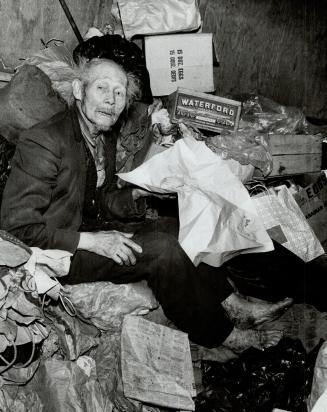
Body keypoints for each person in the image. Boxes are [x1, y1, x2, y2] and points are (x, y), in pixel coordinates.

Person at [1, 58, 293, 352]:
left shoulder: (102, 134)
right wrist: (91, 241)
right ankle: (222, 335)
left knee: (177, 227)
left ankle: (233, 304)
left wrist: (136, 196)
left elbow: (95, 200)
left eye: (119, 92)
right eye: (101, 87)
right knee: (162, 252)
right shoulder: (45, 141)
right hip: (57, 252)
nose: (110, 100)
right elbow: (17, 229)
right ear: (79, 90)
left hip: (88, 226)